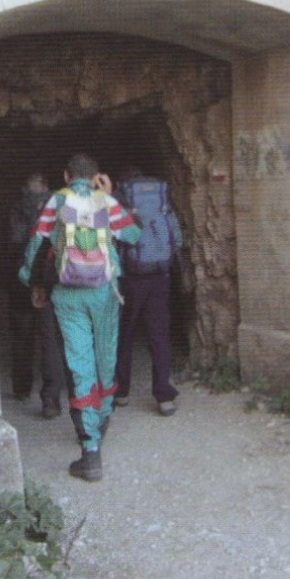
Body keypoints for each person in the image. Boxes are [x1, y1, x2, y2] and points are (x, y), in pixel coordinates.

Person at [18, 153, 140, 482]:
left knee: (79, 364)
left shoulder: (57, 200)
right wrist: (111, 195)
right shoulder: (104, 200)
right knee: (105, 357)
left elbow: (36, 242)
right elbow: (132, 236)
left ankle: (90, 453)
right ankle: (100, 418)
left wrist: (29, 278)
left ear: (66, 174)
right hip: (105, 292)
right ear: (95, 176)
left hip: (67, 295)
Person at [113, 168, 183, 416]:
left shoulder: (122, 203)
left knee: (124, 334)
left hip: (131, 278)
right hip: (160, 277)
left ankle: (121, 392)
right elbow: (177, 237)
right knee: (159, 335)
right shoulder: (162, 203)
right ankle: (164, 396)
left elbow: (115, 239)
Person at [6, 172, 64, 419]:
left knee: (23, 337)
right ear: (47, 186)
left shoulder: (15, 210)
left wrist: (11, 281)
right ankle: (51, 398)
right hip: (50, 283)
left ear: (24, 188)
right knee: (52, 339)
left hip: (23, 283)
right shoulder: (60, 208)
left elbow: (4, 248)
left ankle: (21, 387)